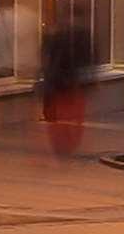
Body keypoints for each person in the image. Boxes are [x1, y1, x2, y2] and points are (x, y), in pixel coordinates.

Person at [36, 16, 98, 156]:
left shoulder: (55, 38)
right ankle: (67, 143)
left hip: (60, 82)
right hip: (69, 83)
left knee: (58, 115)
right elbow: (90, 59)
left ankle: (61, 144)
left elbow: (46, 60)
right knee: (70, 115)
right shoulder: (81, 37)